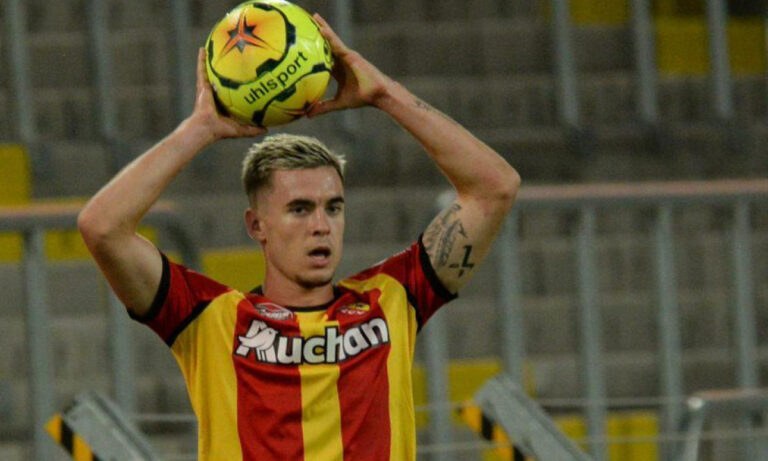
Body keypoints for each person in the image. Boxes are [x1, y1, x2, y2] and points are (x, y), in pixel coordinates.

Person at [78, 13, 520, 461]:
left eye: (333, 207)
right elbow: (102, 227)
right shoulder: (209, 320)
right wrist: (199, 130)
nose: (321, 225)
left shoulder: (390, 299)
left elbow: (495, 187)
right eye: (299, 209)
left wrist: (385, 95)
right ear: (256, 226)